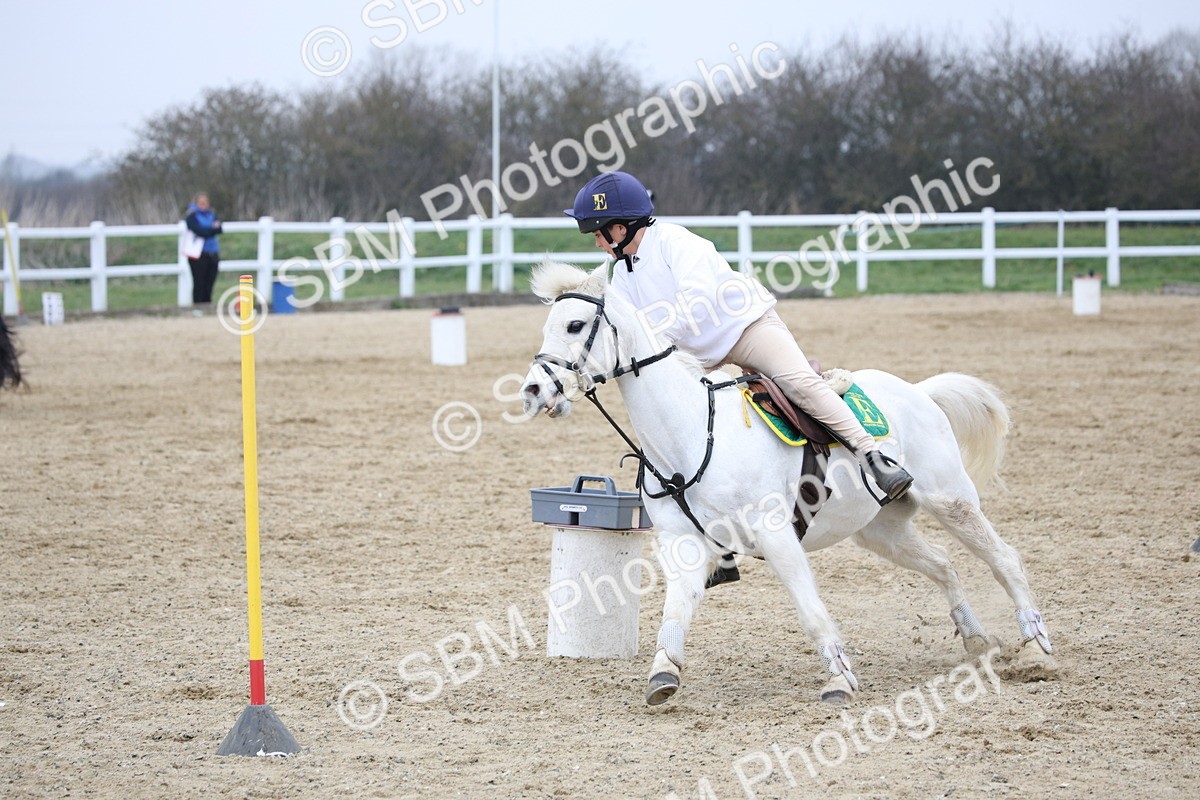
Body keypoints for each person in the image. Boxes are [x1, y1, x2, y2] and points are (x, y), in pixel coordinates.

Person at [564, 170, 914, 501]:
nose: (597, 244)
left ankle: (873, 455)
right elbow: (626, 334)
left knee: (801, 383)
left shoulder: (677, 242)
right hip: (695, 353)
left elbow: (695, 305)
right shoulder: (622, 273)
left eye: (597, 234)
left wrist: (651, 336)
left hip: (746, 329)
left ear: (620, 229)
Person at [185, 193, 222, 306]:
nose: (204, 205)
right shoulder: (192, 216)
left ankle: (207, 304)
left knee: (210, 281)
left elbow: (220, 229)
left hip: (212, 252)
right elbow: (199, 231)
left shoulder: (211, 214)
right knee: (199, 281)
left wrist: (208, 230)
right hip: (198, 254)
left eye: (205, 202)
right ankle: (198, 305)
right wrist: (212, 228)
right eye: (201, 203)